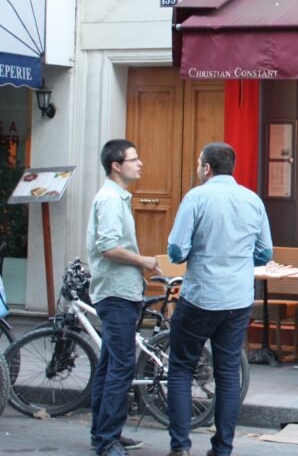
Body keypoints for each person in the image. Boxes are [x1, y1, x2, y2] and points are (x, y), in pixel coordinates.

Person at [166, 142, 273, 456]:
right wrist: (238, 261)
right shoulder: (252, 199)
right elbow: (265, 252)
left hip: (200, 294)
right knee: (227, 372)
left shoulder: (197, 197)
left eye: (200, 164)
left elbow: (176, 250)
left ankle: (180, 446)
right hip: (238, 298)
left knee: (181, 368)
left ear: (207, 168)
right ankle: (222, 448)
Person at [87, 139, 160, 456]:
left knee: (109, 365)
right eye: (134, 159)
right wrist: (142, 260)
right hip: (116, 292)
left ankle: (102, 433)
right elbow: (108, 247)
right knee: (121, 367)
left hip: (121, 291)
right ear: (116, 165)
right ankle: (107, 440)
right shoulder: (110, 200)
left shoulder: (118, 198)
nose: (140, 163)